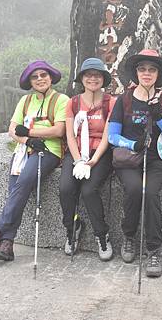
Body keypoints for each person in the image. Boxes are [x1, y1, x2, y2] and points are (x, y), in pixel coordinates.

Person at [0, 60, 69, 261]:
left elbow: (59, 130)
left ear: (50, 77)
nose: (40, 79)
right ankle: (6, 245)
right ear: (30, 81)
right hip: (24, 151)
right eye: (35, 77)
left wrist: (30, 132)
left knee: (22, 184)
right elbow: (13, 129)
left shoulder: (61, 100)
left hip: (49, 151)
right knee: (17, 190)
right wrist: (28, 139)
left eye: (43, 75)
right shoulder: (25, 101)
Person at [108, 49, 162, 277]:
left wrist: (159, 116)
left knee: (150, 193)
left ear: (158, 74)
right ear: (136, 73)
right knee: (134, 189)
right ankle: (129, 235)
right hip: (130, 159)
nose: (147, 73)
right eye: (142, 69)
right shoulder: (124, 99)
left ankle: (153, 249)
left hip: (157, 159)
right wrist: (132, 145)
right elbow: (112, 135)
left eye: (152, 69)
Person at [59, 58, 116, 261]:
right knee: (66, 188)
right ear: (82, 78)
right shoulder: (72, 103)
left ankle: (102, 235)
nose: (93, 78)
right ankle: (72, 227)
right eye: (88, 75)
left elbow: (108, 135)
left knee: (89, 190)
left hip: (101, 153)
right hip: (76, 153)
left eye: (97, 75)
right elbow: (70, 135)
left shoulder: (111, 103)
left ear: (103, 79)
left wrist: (93, 160)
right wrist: (78, 160)